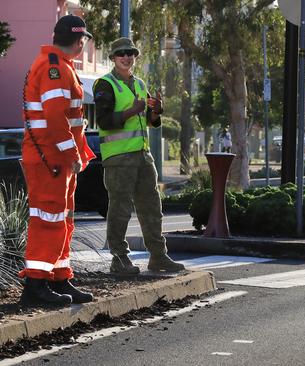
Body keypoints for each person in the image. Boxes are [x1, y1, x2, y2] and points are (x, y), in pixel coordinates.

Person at [19, 15, 96, 306]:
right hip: (50, 159)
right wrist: (73, 154)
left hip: (52, 158)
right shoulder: (55, 68)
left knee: (61, 219)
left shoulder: (56, 65)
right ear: (80, 42)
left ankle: (59, 277)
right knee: (49, 219)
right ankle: (36, 285)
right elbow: (55, 118)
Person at [93, 38, 184, 275]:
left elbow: (150, 122)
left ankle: (158, 256)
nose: (126, 57)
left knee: (152, 206)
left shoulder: (140, 84)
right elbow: (102, 121)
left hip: (143, 156)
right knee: (120, 208)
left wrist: (155, 111)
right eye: (121, 53)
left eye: (130, 53)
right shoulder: (105, 84)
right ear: (113, 58)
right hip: (118, 158)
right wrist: (132, 110)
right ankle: (119, 259)